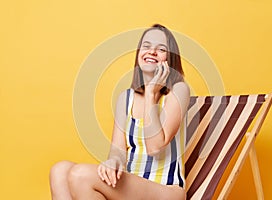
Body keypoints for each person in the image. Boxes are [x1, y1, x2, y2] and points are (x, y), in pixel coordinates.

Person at [49, 24, 190, 200]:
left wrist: (150, 94)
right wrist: (113, 161)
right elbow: (118, 151)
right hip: (131, 187)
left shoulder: (178, 90)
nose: (152, 51)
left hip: (165, 190)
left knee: (80, 175)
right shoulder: (126, 98)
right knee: (59, 171)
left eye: (161, 49)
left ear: (170, 59)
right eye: (146, 46)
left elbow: (154, 147)